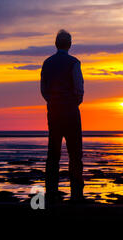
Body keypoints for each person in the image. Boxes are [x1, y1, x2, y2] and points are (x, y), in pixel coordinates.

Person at [40, 29, 84, 203]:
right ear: (70, 44)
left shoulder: (47, 63)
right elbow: (79, 87)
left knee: (53, 152)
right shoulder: (74, 62)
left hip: (54, 111)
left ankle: (51, 192)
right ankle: (76, 194)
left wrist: (52, 102)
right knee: (75, 153)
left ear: (56, 44)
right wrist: (73, 102)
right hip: (71, 111)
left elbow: (43, 89)